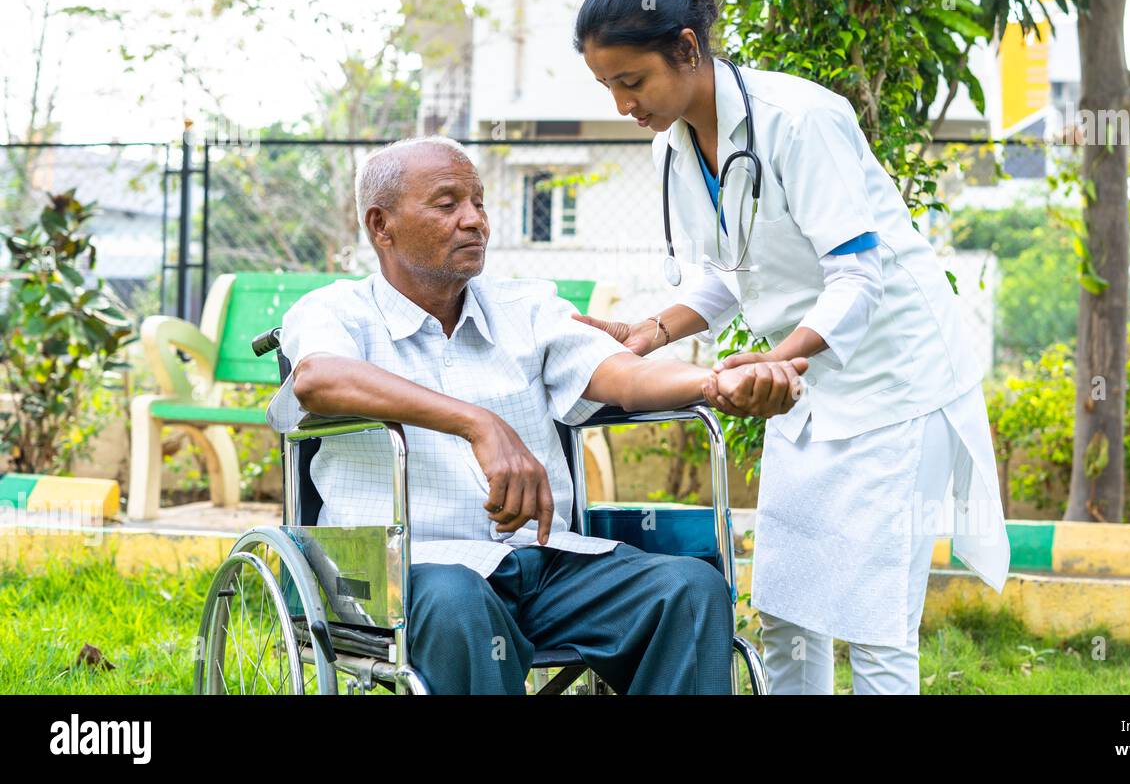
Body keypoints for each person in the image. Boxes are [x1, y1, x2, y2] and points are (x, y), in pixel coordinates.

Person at [572, 0, 1010, 695]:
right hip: (804, 394)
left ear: (686, 48)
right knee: (786, 610)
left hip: (895, 388)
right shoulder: (670, 148)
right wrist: (650, 333)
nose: (623, 105)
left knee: (874, 626)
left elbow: (856, 273)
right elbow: (729, 272)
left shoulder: (802, 120)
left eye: (631, 81)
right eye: (608, 86)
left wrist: (780, 359)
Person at [266, 136, 807, 695]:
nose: (475, 221)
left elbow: (623, 374)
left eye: (479, 203)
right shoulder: (336, 311)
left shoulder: (526, 308)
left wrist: (714, 382)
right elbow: (319, 379)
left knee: (687, 587)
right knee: (458, 600)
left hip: (544, 566)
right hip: (408, 575)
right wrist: (478, 423)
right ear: (382, 225)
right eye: (448, 205)